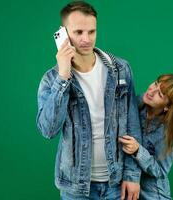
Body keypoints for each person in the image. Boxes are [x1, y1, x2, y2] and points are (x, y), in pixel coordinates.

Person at [36, 1, 141, 199]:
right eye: (78, 32)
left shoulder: (120, 69)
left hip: (116, 183)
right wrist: (63, 76)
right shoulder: (51, 79)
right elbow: (48, 130)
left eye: (91, 32)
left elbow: (132, 125)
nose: (86, 39)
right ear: (64, 34)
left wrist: (133, 175)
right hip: (75, 187)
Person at [119, 74, 173, 199]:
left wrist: (138, 150)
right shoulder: (138, 103)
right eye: (155, 83)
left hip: (152, 195)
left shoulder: (169, 132)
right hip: (126, 189)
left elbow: (161, 171)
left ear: (167, 107)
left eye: (160, 94)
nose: (151, 91)